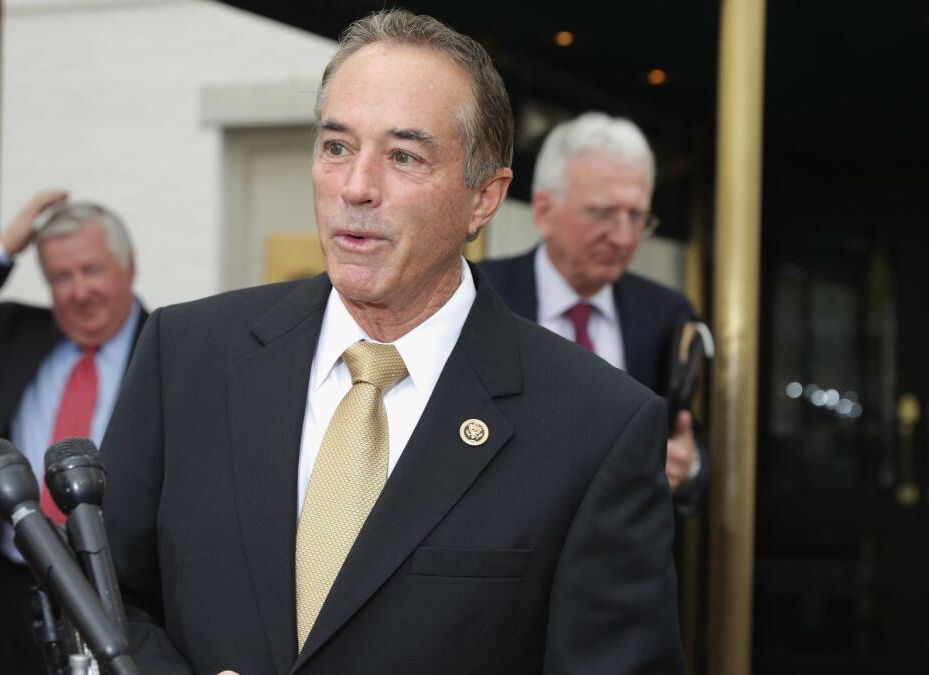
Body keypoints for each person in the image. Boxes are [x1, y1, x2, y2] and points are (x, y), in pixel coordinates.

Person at [101, 10, 684, 674]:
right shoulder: (185, 356)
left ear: (484, 198)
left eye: (404, 155)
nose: (356, 187)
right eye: (337, 147)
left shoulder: (597, 427)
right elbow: (102, 596)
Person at [0, 192, 147, 675]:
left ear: (129, 268)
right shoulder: (17, 338)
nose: (79, 291)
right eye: (62, 277)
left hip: (123, 588)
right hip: (16, 585)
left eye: (92, 270)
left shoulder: (165, 347)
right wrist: (4, 246)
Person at [480, 112, 710, 513]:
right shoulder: (478, 298)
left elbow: (693, 446)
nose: (623, 237)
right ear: (544, 211)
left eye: (636, 216)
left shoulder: (666, 313)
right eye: (603, 213)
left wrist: (687, 466)